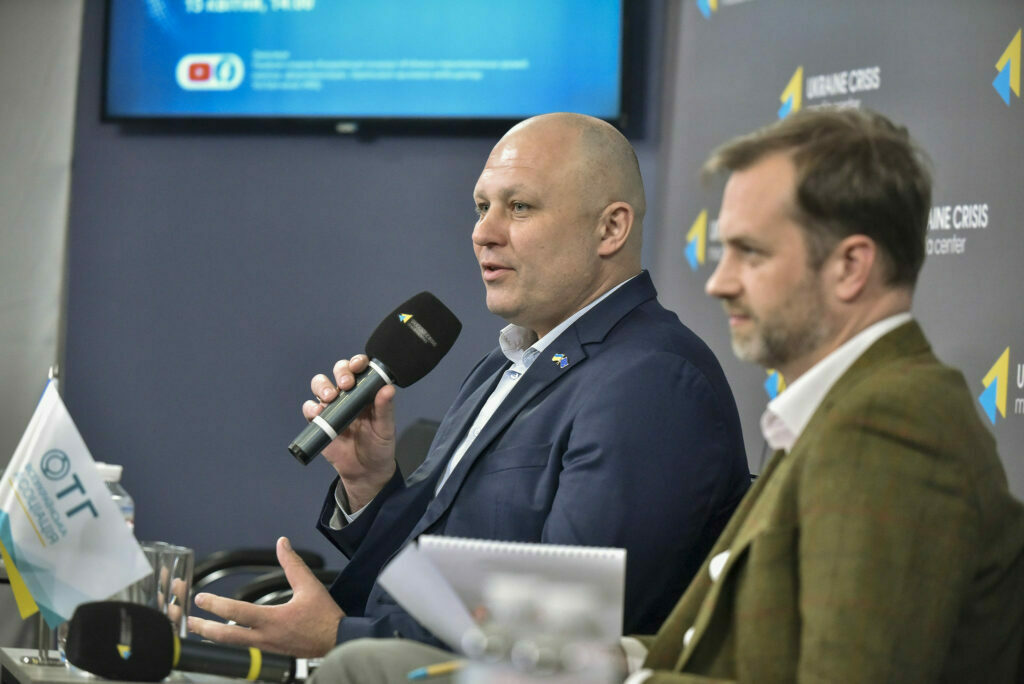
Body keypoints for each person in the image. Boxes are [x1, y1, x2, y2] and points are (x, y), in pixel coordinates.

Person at [309, 108, 1024, 683]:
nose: (718, 282)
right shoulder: (848, 409)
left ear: (850, 267)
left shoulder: (887, 422)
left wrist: (619, 672)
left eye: (750, 252)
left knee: (359, 667)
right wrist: (624, 661)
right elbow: (718, 642)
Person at [187, 112, 750, 658]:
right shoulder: (507, 360)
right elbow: (428, 559)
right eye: (482, 207)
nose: (483, 233)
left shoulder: (652, 381)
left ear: (611, 228)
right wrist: (368, 483)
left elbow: (566, 624)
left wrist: (342, 640)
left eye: (519, 207)